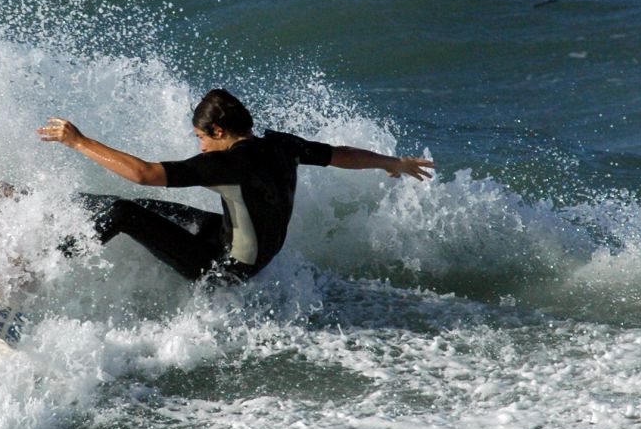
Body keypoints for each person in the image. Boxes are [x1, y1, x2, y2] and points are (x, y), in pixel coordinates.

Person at [38, 88, 434, 285]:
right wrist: (392, 163)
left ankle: (35, 272)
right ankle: (46, 205)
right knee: (139, 206)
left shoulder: (225, 163)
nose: (200, 145)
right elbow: (340, 154)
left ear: (220, 131)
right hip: (243, 247)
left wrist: (79, 142)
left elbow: (145, 171)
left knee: (123, 214)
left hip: (226, 270)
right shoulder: (283, 145)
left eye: (201, 137)